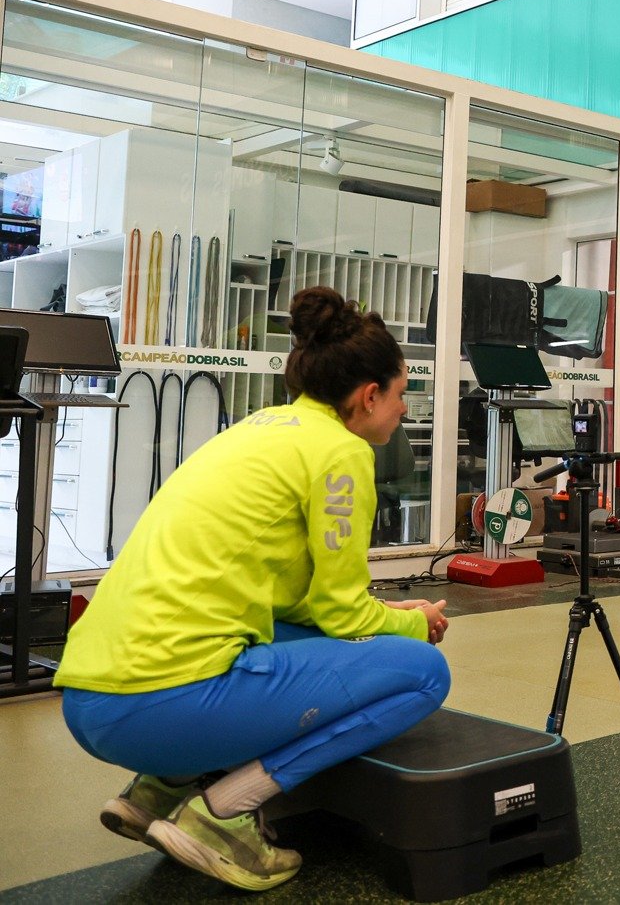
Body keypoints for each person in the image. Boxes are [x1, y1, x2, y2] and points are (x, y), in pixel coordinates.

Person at [54, 287, 451, 892]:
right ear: (369, 395)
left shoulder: (264, 428)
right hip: (153, 707)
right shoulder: (342, 452)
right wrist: (414, 623)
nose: (403, 411)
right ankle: (224, 813)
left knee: (293, 637)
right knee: (424, 672)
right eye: (401, 395)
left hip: (89, 697)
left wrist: (385, 612)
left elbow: (297, 603)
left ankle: (162, 787)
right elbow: (342, 614)